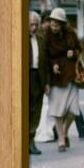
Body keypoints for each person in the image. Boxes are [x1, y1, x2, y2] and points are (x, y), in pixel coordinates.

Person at [44, 7, 83, 152]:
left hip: (71, 75)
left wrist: (74, 52)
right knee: (57, 110)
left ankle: (65, 132)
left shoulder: (70, 32)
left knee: (73, 110)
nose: (53, 27)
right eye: (52, 24)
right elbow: (44, 56)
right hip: (56, 77)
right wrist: (52, 65)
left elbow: (80, 49)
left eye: (56, 25)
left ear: (62, 24)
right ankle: (61, 139)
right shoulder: (46, 33)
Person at [29, 11, 50, 155]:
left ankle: (31, 141)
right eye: (31, 25)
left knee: (36, 111)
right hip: (26, 76)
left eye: (36, 24)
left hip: (39, 78)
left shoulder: (41, 40)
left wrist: (47, 83)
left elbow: (46, 63)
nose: (34, 28)